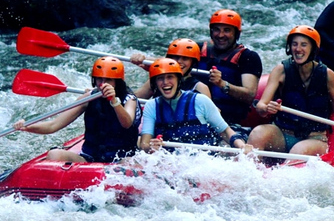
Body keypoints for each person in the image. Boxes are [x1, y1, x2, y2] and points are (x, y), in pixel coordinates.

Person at [247, 25, 334, 165]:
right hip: (283, 134)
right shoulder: (281, 70)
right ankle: (248, 175)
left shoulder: (328, 75)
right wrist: (267, 108)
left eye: (304, 45)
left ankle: (282, 175)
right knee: (257, 133)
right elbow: (261, 105)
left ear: (313, 49)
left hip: (315, 138)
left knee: (298, 151)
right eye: (294, 44)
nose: (298, 49)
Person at [13, 57, 142, 162]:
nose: (102, 83)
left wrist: (114, 101)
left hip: (120, 159)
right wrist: (27, 127)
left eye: (108, 79)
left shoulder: (129, 99)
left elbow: (127, 123)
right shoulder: (88, 98)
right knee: (54, 155)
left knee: (128, 163)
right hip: (90, 158)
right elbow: (53, 125)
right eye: (99, 79)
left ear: (117, 82)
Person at [139, 58, 248, 153]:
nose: (165, 82)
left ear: (179, 80)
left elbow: (225, 132)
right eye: (160, 78)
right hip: (170, 163)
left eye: (170, 77)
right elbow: (144, 144)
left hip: (201, 160)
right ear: (155, 83)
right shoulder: (151, 106)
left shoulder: (200, 100)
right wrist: (151, 147)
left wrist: (242, 146)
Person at [196, 9, 263, 137]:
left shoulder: (248, 57)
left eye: (227, 30)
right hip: (196, 118)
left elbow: (249, 95)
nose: (220, 35)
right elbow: (171, 64)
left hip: (230, 122)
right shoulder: (197, 49)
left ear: (236, 34)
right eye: (216, 30)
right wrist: (146, 60)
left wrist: (222, 84)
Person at [132, 38, 211, 99]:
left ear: (192, 63)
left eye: (185, 58)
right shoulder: (159, 80)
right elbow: (135, 99)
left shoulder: (200, 87)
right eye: (176, 57)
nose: (179, 62)